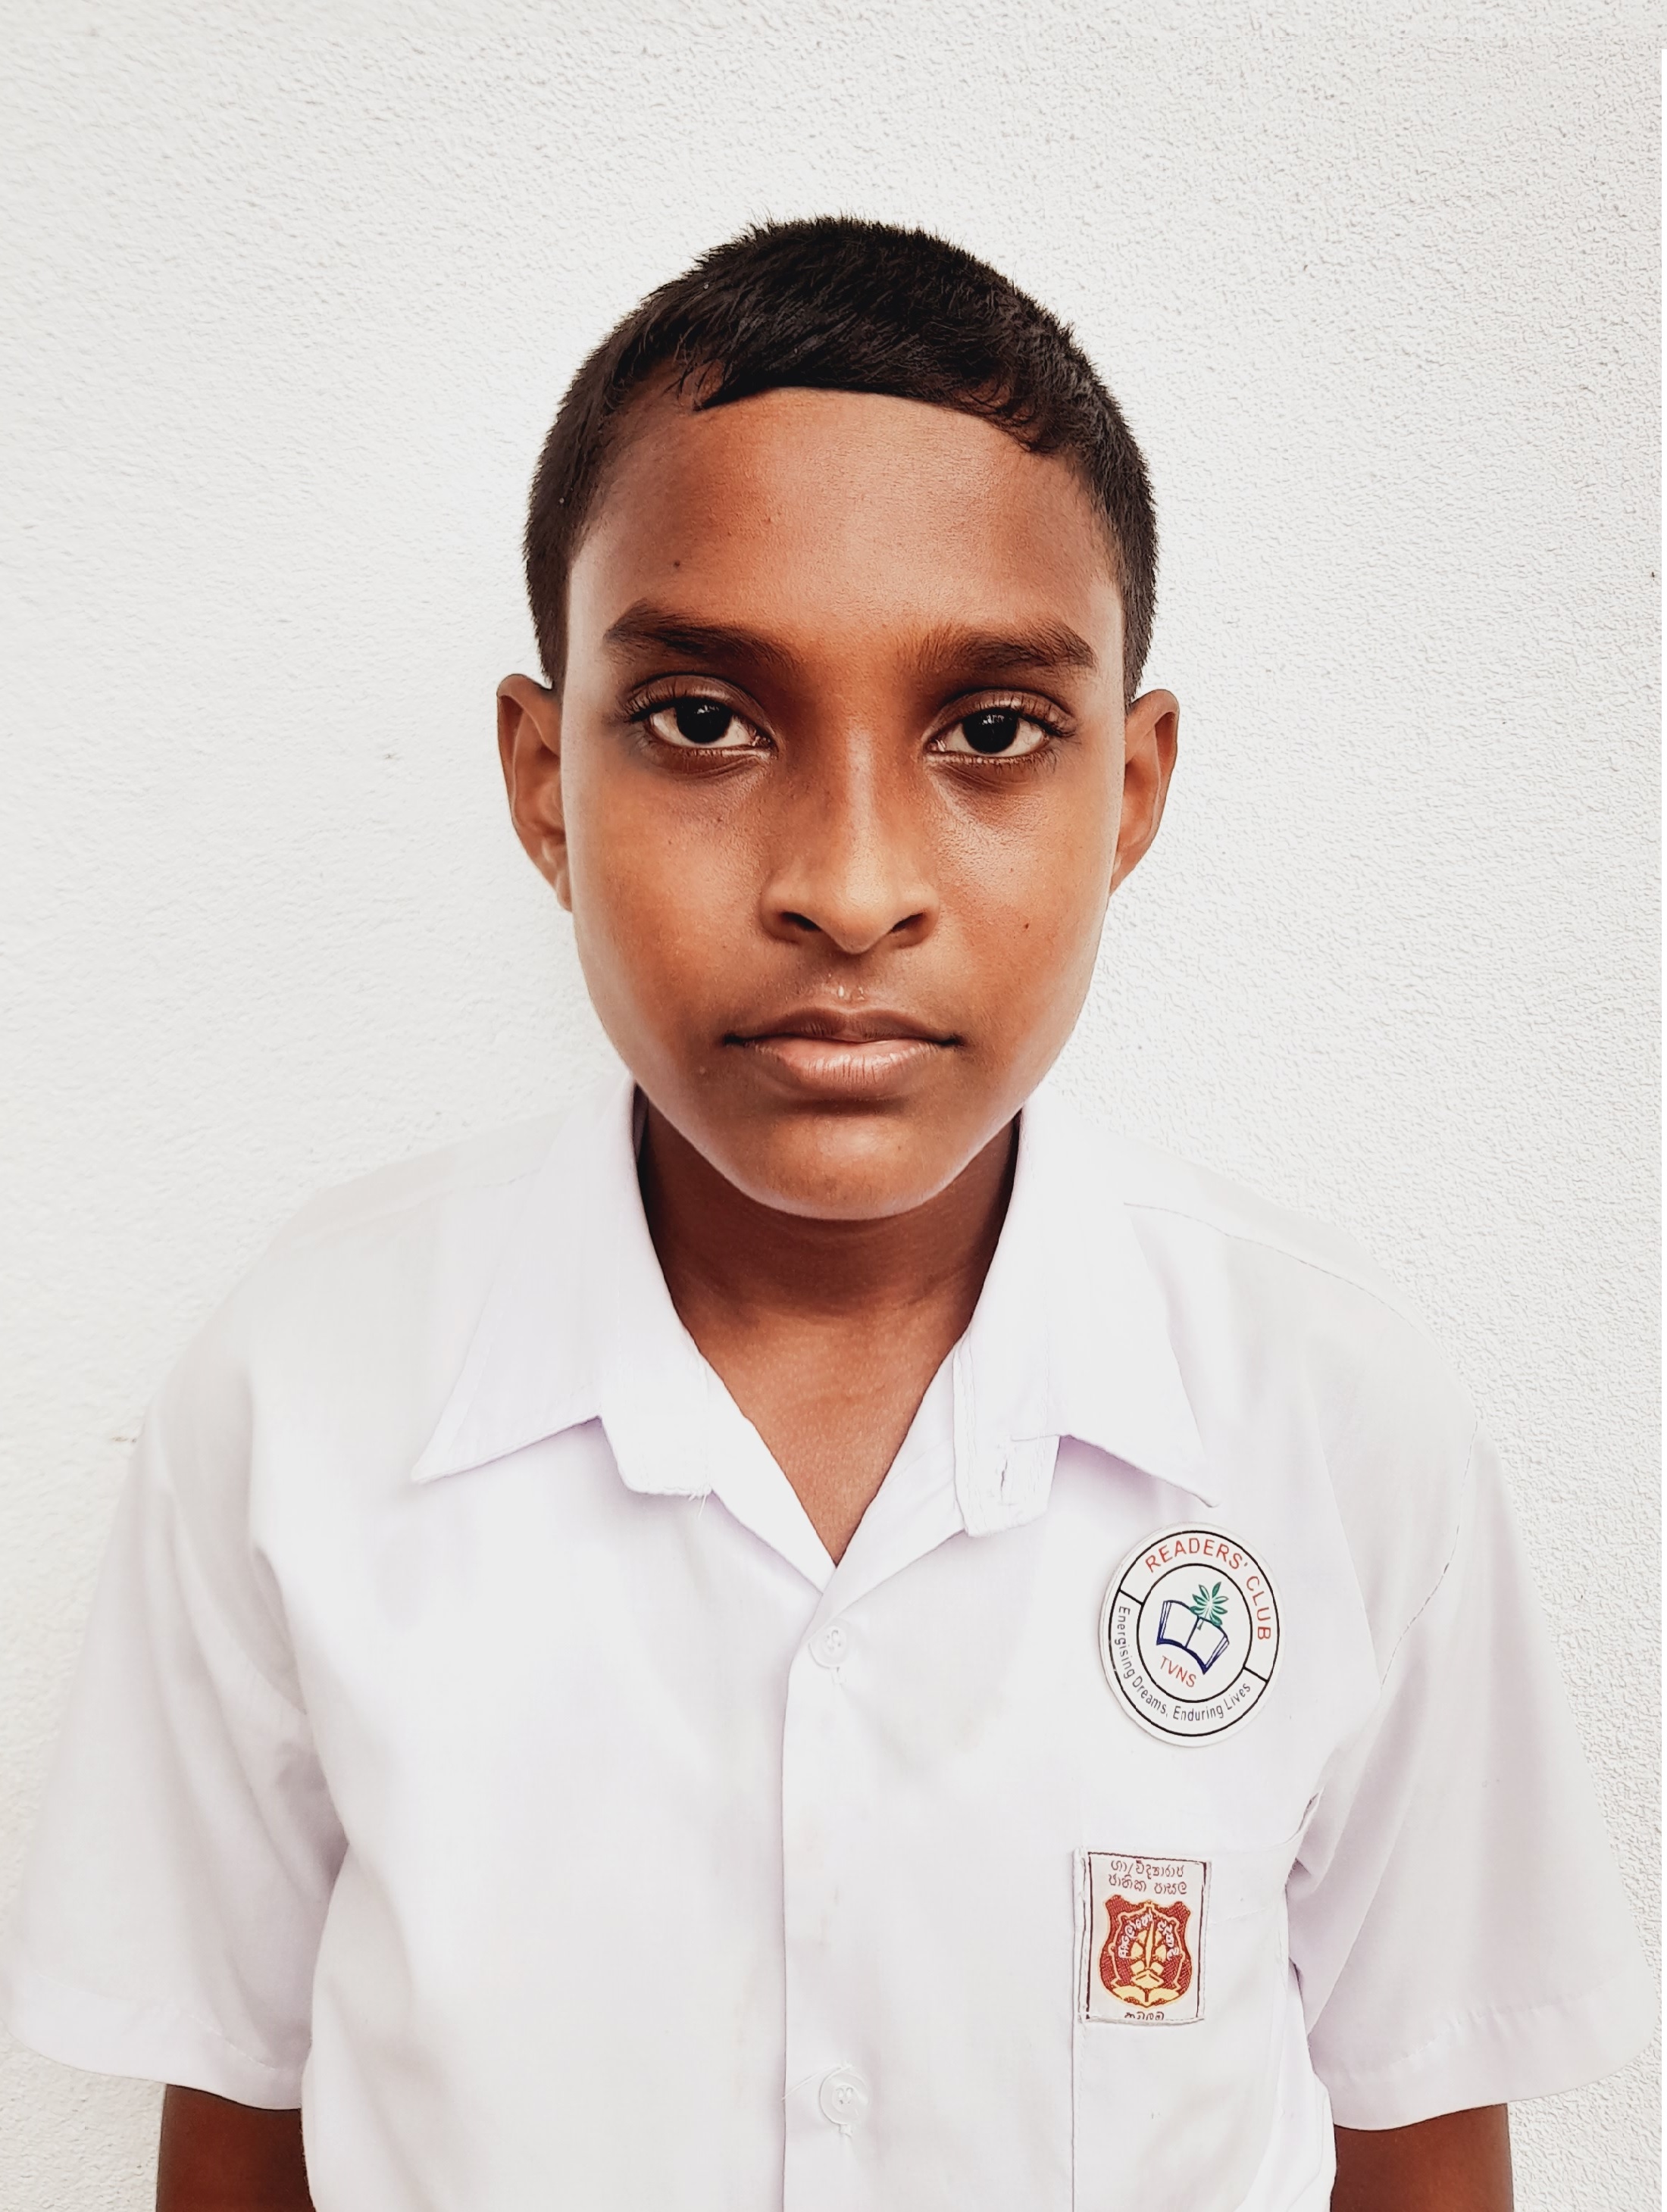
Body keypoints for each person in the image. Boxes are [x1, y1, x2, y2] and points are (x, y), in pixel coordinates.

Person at [2, 218, 1651, 2212]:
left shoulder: (1334, 1422)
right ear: (543, 779)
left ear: (1132, 792)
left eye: (990, 731)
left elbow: (1419, 2141)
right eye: (707, 719)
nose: (851, 887)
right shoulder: (301, 1400)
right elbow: (236, 2140)